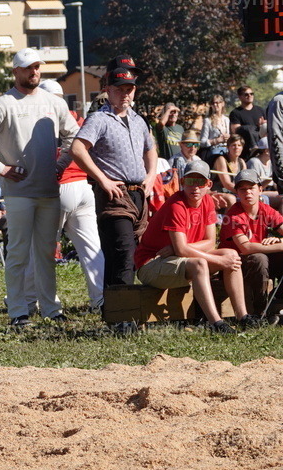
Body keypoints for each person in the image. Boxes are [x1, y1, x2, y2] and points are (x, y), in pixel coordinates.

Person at [0, 47, 78, 327]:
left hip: (49, 191)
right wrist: (0, 168)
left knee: (46, 253)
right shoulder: (2, 104)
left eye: (38, 67)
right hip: (18, 194)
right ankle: (18, 311)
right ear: (15, 71)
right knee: (17, 253)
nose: (34, 72)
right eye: (28, 67)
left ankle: (51, 309)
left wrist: (61, 163)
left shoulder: (54, 102)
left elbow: (75, 135)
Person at [134, 160, 259, 333]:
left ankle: (242, 316)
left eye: (200, 182)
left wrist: (181, 247)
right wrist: (214, 259)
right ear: (183, 183)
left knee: (231, 254)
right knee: (200, 263)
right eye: (190, 181)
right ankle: (216, 323)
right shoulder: (176, 205)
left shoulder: (207, 201)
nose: (195, 187)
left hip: (177, 259)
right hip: (151, 264)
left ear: (208, 184)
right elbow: (182, 250)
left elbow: (209, 242)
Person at [69, 61, 157, 291]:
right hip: (114, 195)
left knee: (136, 251)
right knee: (122, 252)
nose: (125, 94)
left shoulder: (139, 119)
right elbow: (77, 149)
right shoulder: (99, 118)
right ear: (108, 90)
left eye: (129, 89)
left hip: (139, 195)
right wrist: (102, 179)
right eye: (119, 89)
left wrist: (151, 176)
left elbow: (151, 149)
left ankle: (120, 309)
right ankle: (122, 317)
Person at [219, 169, 283, 321]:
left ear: (260, 189)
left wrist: (279, 240)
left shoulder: (265, 209)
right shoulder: (233, 215)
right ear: (237, 193)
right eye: (243, 189)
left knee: (263, 257)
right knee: (259, 258)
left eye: (251, 188)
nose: (247, 192)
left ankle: (277, 300)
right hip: (235, 266)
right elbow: (245, 248)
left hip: (259, 262)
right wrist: (280, 246)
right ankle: (260, 312)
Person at [230, 85, 266, 159]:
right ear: (240, 97)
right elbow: (235, 130)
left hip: (262, 148)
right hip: (246, 149)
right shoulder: (236, 112)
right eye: (246, 94)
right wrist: (254, 128)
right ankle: (253, 147)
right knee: (248, 128)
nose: (249, 96)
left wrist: (262, 125)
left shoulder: (260, 110)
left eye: (251, 94)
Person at [199, 93, 230, 161]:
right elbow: (202, 142)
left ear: (222, 104)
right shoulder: (208, 120)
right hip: (213, 152)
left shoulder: (226, 120)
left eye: (217, 102)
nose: (215, 105)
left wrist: (228, 138)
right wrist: (216, 140)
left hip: (226, 151)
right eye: (213, 103)